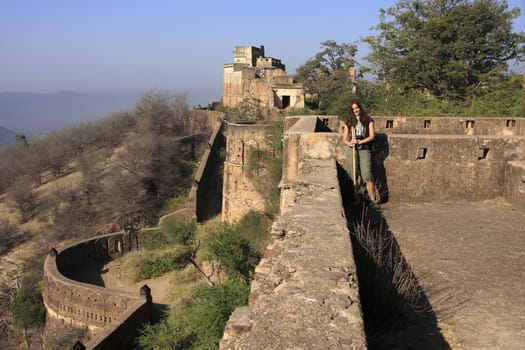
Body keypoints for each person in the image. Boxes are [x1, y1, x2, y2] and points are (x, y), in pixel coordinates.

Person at [342, 100, 378, 204]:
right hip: (352, 149)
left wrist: (360, 141)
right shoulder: (349, 121)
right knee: (354, 175)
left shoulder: (368, 120)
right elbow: (345, 139)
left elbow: (371, 136)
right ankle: (356, 200)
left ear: (360, 108)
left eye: (356, 108)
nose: (355, 110)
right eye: (353, 109)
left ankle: (373, 201)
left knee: (367, 175)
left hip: (364, 148)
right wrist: (350, 143)